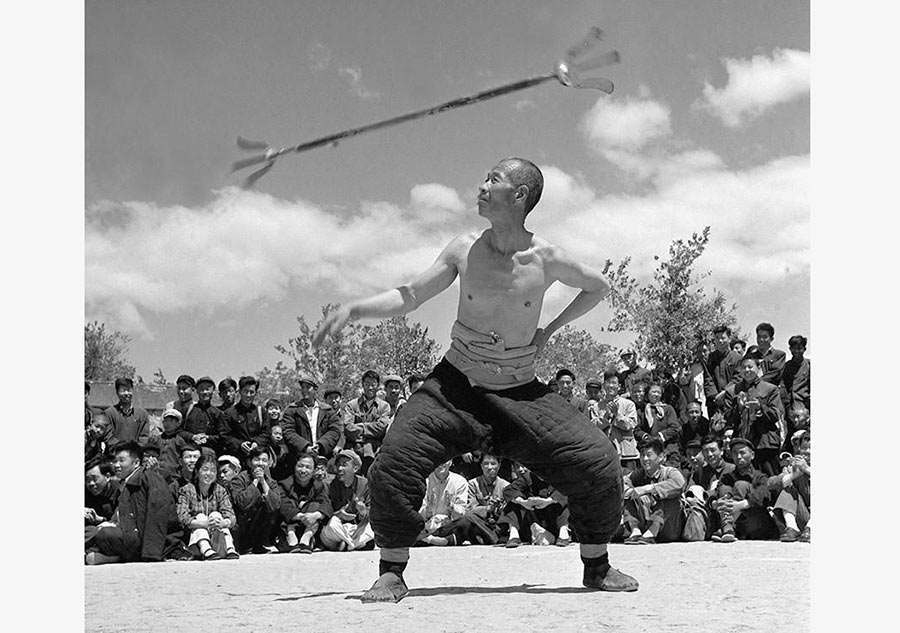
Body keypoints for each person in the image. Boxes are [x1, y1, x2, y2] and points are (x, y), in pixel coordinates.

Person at [313, 157, 636, 601]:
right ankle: (391, 570)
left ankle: (597, 566)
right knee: (394, 461)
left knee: (599, 460)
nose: (482, 186)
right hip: (453, 389)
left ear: (519, 195)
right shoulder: (464, 248)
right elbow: (410, 295)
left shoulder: (546, 258)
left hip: (521, 393)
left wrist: (548, 331)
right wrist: (354, 309)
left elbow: (599, 286)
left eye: (494, 180)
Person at [87, 441, 179, 565]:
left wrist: (150, 555)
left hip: (142, 538)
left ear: (136, 463)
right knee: (92, 530)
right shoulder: (124, 483)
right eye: (114, 461)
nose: (116, 465)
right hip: (128, 532)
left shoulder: (150, 478)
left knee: (105, 534)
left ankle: (116, 557)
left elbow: (157, 515)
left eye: (121, 460)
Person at [709, 437, 782, 542]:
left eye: (742, 453)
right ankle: (728, 526)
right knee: (724, 488)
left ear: (752, 455)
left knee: (740, 485)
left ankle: (727, 525)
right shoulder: (727, 477)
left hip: (756, 523)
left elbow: (766, 494)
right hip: (739, 525)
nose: (738, 457)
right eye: (735, 453)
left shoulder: (760, 476)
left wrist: (742, 504)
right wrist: (715, 503)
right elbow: (716, 492)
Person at [722, 357, 784, 476]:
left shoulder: (771, 389)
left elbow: (776, 414)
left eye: (750, 367)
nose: (747, 370)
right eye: (744, 367)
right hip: (742, 444)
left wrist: (760, 407)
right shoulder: (732, 391)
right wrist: (738, 408)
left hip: (765, 443)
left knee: (771, 479)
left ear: (758, 368)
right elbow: (727, 418)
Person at [176, 453, 240, 560]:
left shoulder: (219, 490)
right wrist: (204, 523)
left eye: (213, 471)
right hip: (194, 536)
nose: (209, 473)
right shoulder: (187, 490)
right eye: (205, 469)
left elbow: (230, 515)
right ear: (197, 472)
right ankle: (206, 549)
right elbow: (181, 517)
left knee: (216, 515)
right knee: (201, 516)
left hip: (216, 534)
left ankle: (230, 548)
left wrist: (224, 522)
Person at [622, 438, 686, 544]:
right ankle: (635, 530)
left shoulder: (670, 472)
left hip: (670, 526)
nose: (645, 459)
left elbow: (679, 484)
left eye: (649, 455)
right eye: (642, 455)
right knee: (629, 496)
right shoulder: (638, 474)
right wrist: (633, 492)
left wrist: (648, 489)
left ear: (661, 457)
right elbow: (622, 482)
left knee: (667, 496)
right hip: (646, 523)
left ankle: (652, 532)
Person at [498, 461, 571, 548]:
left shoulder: (559, 476)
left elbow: (568, 490)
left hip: (553, 519)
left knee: (564, 504)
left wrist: (548, 501)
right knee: (513, 502)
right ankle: (514, 536)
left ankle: (563, 534)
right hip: (533, 517)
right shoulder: (528, 477)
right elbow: (509, 490)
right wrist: (523, 502)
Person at [228, 447, 281, 554]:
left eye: (264, 460)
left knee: (269, 504)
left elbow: (275, 505)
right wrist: (255, 482)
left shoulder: (271, 482)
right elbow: (242, 504)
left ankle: (260, 544)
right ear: (249, 462)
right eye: (257, 459)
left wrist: (263, 483)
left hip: (261, 528)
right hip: (241, 527)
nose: (260, 463)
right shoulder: (238, 480)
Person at [277, 454, 333, 553]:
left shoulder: (318, 486)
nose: (303, 470)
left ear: (314, 470)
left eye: (308, 467)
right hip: (288, 526)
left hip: (310, 526)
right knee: (289, 503)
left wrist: (315, 515)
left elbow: (326, 504)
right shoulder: (284, 484)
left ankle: (306, 539)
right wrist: (299, 516)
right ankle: (291, 538)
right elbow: (282, 504)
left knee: (315, 505)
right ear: (294, 466)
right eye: (300, 466)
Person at [341, 370, 393, 477]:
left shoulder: (384, 406)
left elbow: (382, 427)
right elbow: (348, 427)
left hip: (375, 452)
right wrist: (370, 430)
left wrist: (360, 427)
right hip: (353, 451)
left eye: (373, 385)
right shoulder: (352, 405)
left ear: (378, 386)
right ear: (362, 385)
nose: (370, 388)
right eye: (367, 384)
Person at [321, 449, 375, 551]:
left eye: (344, 465)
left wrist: (363, 511)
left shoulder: (365, 484)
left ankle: (346, 544)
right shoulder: (328, 485)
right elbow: (324, 512)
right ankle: (353, 544)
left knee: (372, 527)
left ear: (355, 468)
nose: (339, 468)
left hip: (356, 528)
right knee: (333, 524)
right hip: (336, 530)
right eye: (338, 465)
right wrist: (339, 514)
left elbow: (372, 512)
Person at [282, 376, 343, 464]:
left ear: (315, 389)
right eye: (302, 387)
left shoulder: (327, 410)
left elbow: (335, 431)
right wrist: (305, 447)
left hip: (324, 457)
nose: (304, 390)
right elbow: (288, 431)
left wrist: (321, 445)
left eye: (308, 387)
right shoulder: (292, 410)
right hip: (299, 459)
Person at [593, 371, 640, 475]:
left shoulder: (629, 404)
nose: (610, 386)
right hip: (605, 454)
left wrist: (617, 415)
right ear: (603, 385)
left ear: (619, 386)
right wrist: (605, 417)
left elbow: (631, 425)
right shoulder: (596, 407)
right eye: (608, 382)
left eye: (614, 383)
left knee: (629, 482)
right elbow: (593, 428)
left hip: (626, 454)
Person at [416, 459, 469, 546]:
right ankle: (439, 541)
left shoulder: (460, 481)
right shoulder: (424, 481)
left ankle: (426, 540)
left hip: (448, 526)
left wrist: (451, 507)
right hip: (426, 526)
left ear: (451, 462)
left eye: (445, 460)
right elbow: (418, 514)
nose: (441, 464)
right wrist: (428, 507)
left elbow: (461, 513)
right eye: (438, 460)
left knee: (466, 522)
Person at [464, 452, 511, 545]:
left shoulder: (506, 486)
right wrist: (488, 509)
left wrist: (498, 510)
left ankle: (486, 537)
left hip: (497, 524)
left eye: (493, 464)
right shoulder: (472, 484)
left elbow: (508, 513)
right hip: (478, 522)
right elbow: (470, 509)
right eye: (486, 464)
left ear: (499, 465)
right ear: (481, 465)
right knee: (468, 517)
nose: (489, 467)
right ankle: (492, 538)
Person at [773, 432, 811, 542]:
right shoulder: (795, 466)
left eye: (811, 448)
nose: (807, 452)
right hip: (804, 515)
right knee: (788, 489)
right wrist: (794, 474)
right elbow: (779, 483)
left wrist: (807, 469)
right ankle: (792, 528)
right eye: (804, 448)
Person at [220, 376, 270, 458]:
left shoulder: (261, 412)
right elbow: (225, 436)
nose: (248, 395)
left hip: (258, 456)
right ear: (239, 392)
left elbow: (266, 432)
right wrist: (240, 444)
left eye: (251, 392)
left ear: (256, 393)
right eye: (245, 391)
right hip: (237, 456)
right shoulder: (229, 413)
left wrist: (257, 442)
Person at [637, 382, 682, 465]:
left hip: (668, 449)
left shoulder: (668, 409)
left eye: (659, 392)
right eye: (654, 392)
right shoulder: (641, 411)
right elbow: (636, 429)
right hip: (649, 450)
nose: (656, 395)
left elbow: (675, 427)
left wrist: (661, 436)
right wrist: (645, 436)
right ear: (647, 394)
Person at [179, 376, 225, 454]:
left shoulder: (218, 413)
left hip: (209, 453)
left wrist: (208, 438)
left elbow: (223, 436)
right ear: (197, 391)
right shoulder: (187, 410)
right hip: (190, 453)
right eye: (201, 389)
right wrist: (192, 437)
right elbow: (179, 431)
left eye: (207, 389)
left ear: (213, 391)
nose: (204, 392)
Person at [704, 325, 743, 419]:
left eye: (723, 338)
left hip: (731, 401)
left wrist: (725, 393)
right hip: (714, 402)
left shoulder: (737, 358)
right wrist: (715, 396)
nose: (720, 341)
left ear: (729, 339)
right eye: (717, 338)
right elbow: (708, 378)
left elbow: (738, 378)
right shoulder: (709, 358)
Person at [104, 377, 151, 447]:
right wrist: (122, 449)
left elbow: (144, 437)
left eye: (129, 390)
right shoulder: (108, 413)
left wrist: (133, 450)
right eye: (123, 390)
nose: (126, 393)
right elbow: (108, 437)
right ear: (117, 392)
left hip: (135, 454)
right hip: (114, 455)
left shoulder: (142, 414)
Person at [780, 335, 810, 413]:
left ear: (804, 349)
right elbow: (783, 386)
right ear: (790, 349)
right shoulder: (786, 367)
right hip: (789, 407)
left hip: (805, 406)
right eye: (794, 348)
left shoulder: (809, 365)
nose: (796, 351)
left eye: (799, 348)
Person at [752, 322, 787, 387]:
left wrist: (756, 382)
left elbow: (774, 374)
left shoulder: (779, 355)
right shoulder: (750, 357)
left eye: (765, 337)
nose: (761, 340)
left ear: (771, 339)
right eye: (759, 336)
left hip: (771, 392)